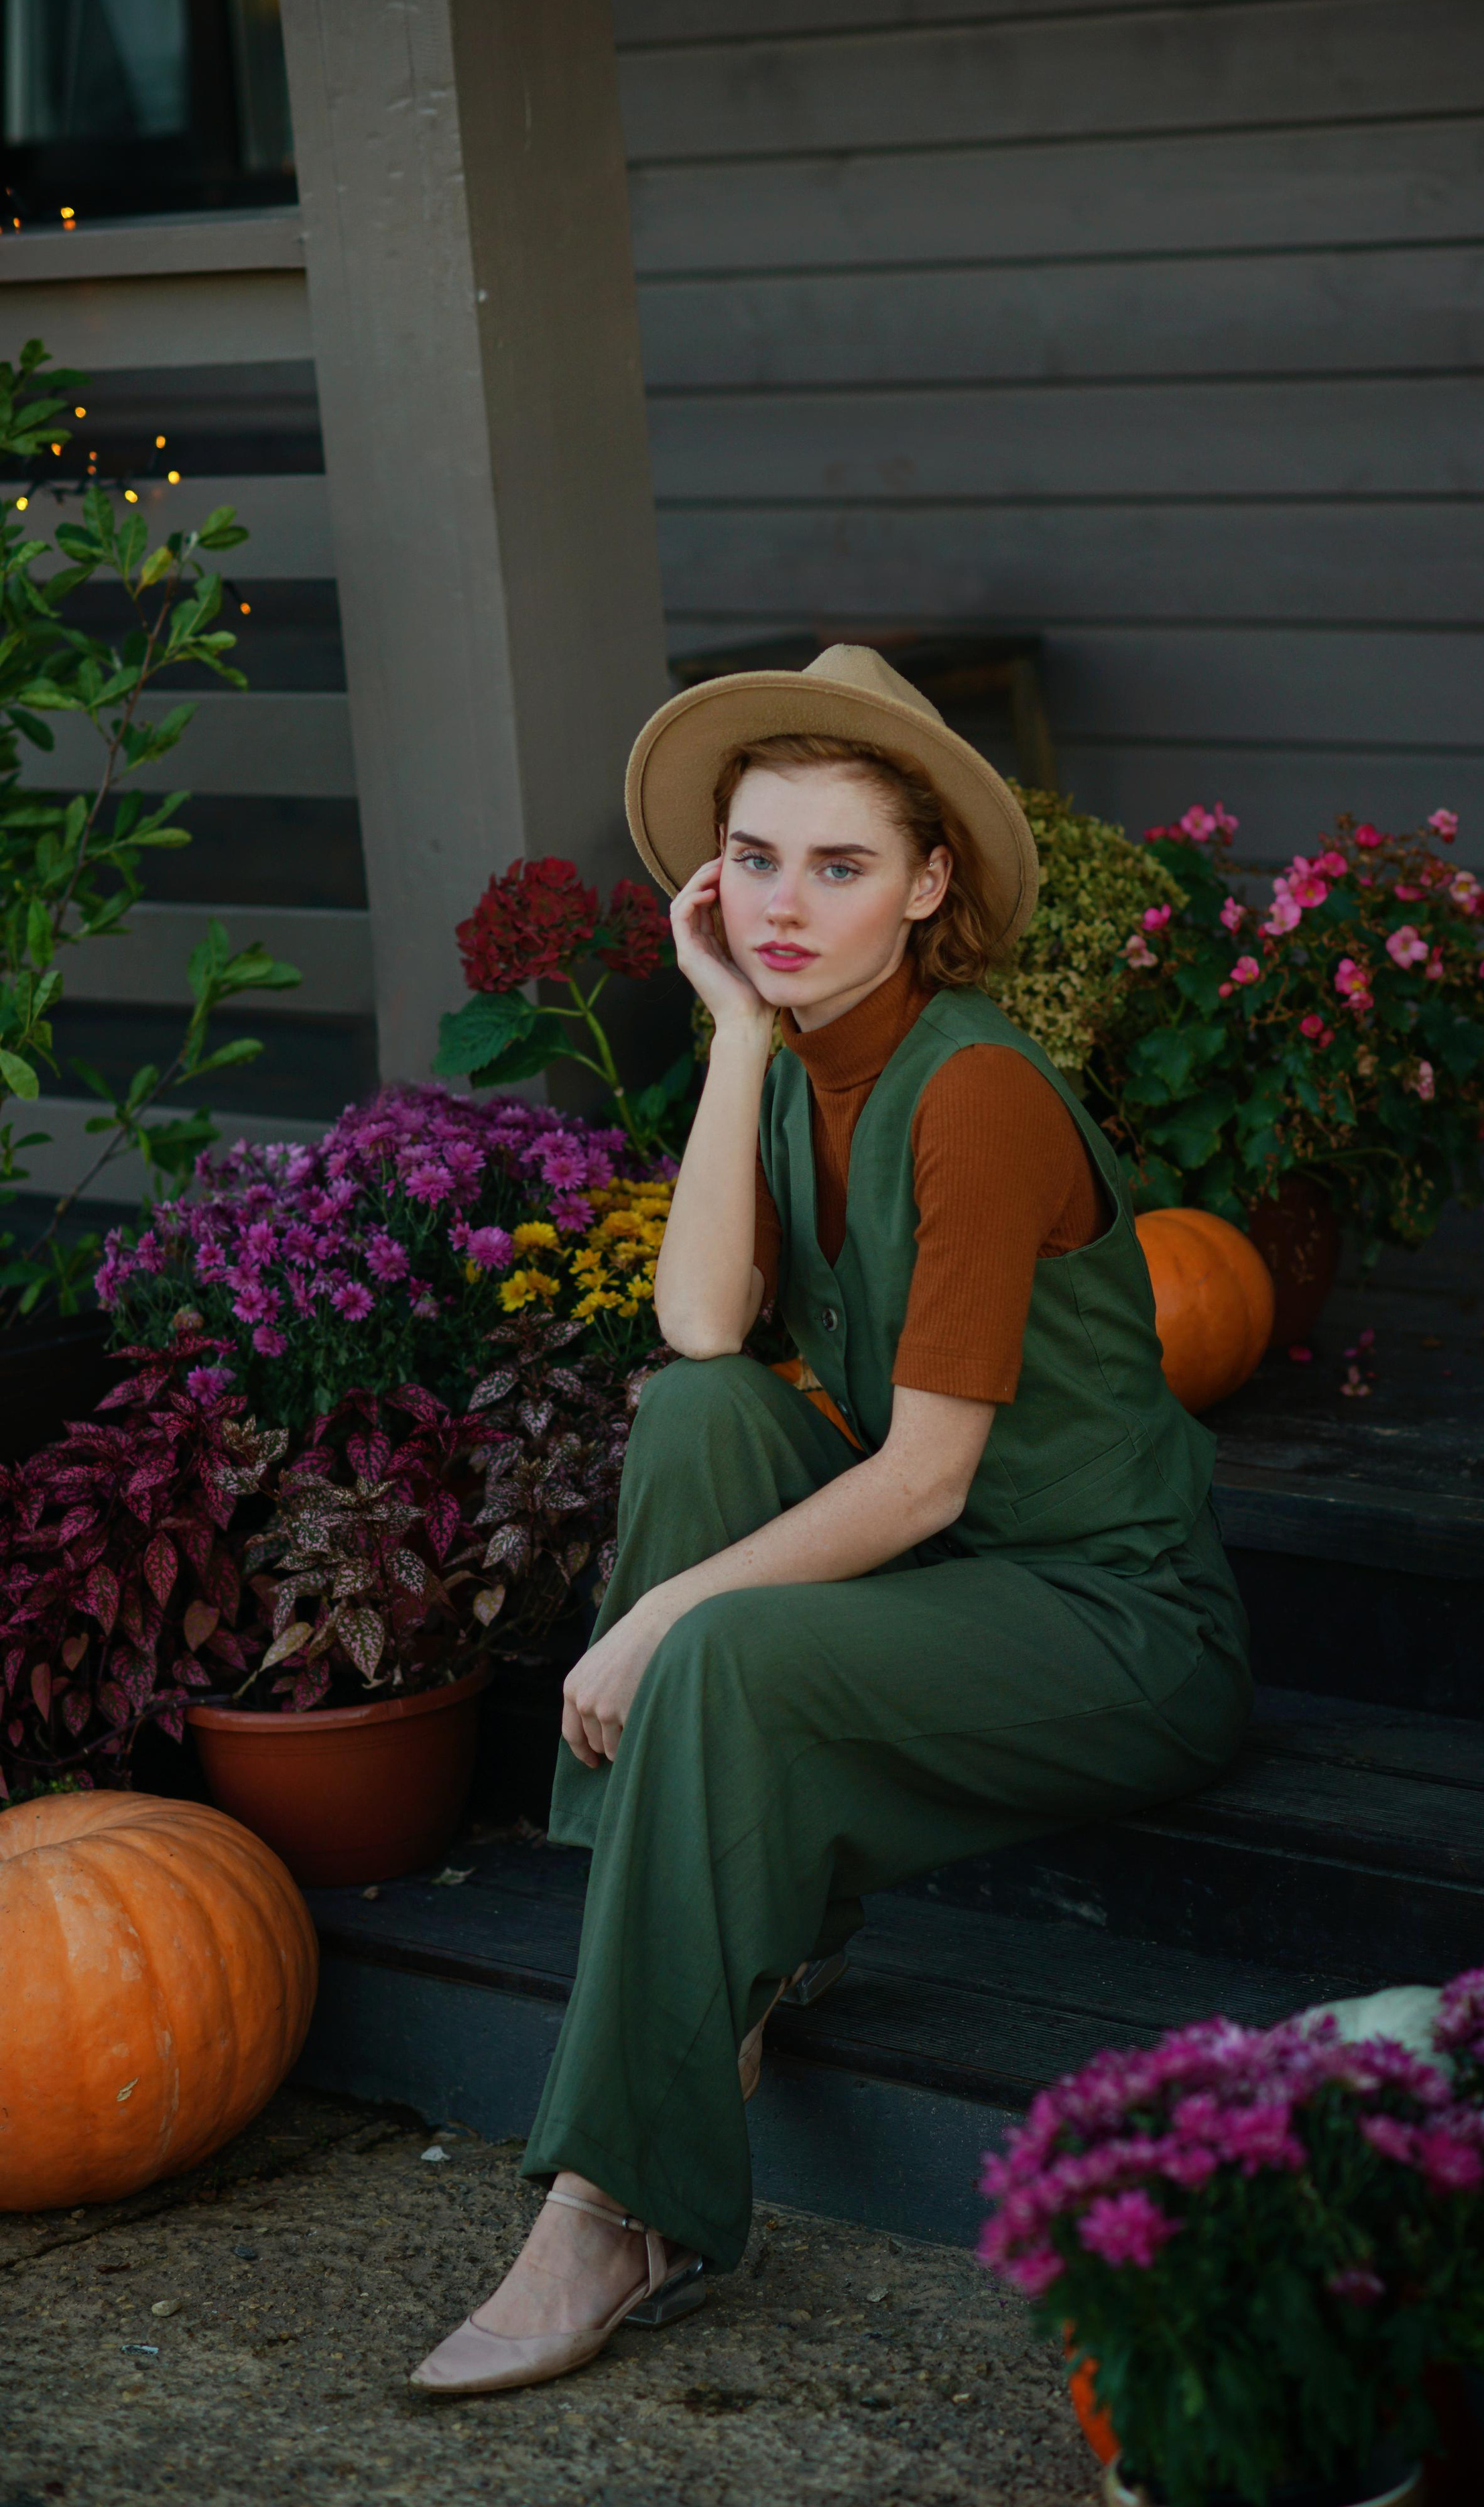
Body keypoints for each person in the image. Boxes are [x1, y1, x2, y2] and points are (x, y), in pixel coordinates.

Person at [411, 645, 1252, 2396]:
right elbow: (703, 1328)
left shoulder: (976, 1092)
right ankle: (706, 1978)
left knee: (717, 1650)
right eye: (756, 858)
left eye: (841, 864)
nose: (785, 907)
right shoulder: (794, 1057)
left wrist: (659, 1620)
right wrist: (733, 1036)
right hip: (951, 1580)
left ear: (930, 884)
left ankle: (619, 2204)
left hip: (1109, 1625)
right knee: (702, 1412)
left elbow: (927, 1478)